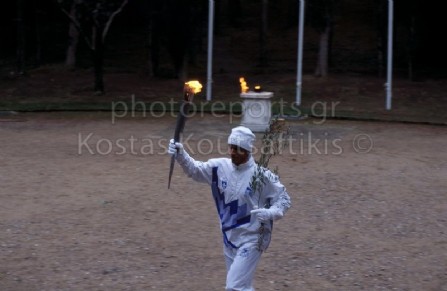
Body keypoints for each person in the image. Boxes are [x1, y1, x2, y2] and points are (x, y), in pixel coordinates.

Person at [168, 126, 291, 291]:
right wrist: (181, 155)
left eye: (238, 149)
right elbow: (195, 170)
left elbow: (284, 199)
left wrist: (271, 213)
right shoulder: (220, 168)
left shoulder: (262, 176)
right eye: (231, 147)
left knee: (233, 287)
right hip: (229, 237)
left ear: (247, 151)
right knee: (242, 286)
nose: (232, 152)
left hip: (253, 239)